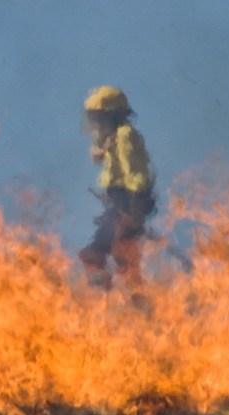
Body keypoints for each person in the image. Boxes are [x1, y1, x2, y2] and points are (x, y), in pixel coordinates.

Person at [79, 86, 156, 292]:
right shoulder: (112, 139)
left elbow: (136, 173)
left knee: (121, 253)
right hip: (120, 204)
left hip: (130, 201)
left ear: (112, 115)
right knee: (96, 253)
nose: (96, 122)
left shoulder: (124, 136)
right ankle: (107, 290)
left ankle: (136, 299)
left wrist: (134, 209)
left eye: (100, 117)